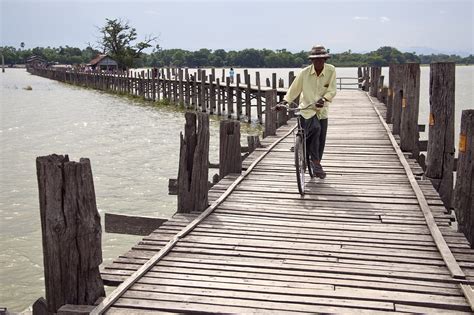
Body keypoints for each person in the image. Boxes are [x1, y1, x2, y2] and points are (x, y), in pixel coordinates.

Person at [283, 44, 337, 178]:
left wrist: (324, 99)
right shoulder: (304, 73)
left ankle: (315, 162)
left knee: (321, 141)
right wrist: (285, 102)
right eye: (315, 59)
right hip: (306, 109)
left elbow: (332, 89)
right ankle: (316, 162)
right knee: (316, 129)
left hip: (322, 111)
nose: (318, 62)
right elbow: (294, 89)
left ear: (325, 60)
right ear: (311, 60)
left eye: (321, 59)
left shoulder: (331, 70)